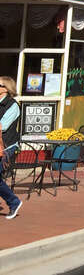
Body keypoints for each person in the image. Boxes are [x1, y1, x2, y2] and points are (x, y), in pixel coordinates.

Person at [0, 77, 22, 220]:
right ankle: (13, 201)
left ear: (6, 89)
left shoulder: (13, 106)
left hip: (6, 147)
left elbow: (3, 126)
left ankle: (14, 202)